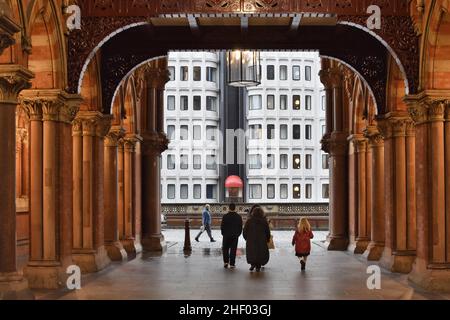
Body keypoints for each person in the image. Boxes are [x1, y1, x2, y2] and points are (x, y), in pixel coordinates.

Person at [243, 207, 271, 272]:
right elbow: (267, 231)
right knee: (260, 252)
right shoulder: (264, 222)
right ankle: (258, 266)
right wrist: (267, 239)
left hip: (251, 241)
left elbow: (244, 231)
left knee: (252, 252)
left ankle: (252, 264)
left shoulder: (249, 221)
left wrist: (246, 238)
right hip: (262, 241)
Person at [221, 203, 243, 269]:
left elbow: (222, 226)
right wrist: (238, 234)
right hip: (235, 235)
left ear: (229, 208)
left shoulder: (225, 216)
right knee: (233, 250)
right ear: (235, 208)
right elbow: (240, 227)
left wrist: (223, 233)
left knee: (225, 249)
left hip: (226, 235)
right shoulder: (238, 217)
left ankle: (226, 262)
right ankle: (232, 264)